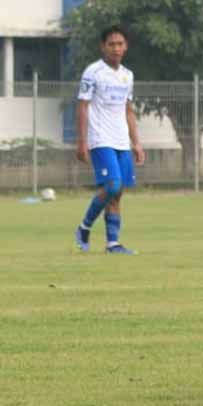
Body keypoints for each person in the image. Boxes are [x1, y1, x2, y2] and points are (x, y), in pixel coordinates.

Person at [73, 25, 144, 255]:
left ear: (126, 47)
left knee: (118, 191)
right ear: (103, 46)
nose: (116, 48)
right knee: (111, 185)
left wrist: (136, 142)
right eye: (111, 44)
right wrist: (82, 141)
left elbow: (128, 110)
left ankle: (113, 243)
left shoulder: (127, 75)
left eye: (120, 44)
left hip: (121, 139)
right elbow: (83, 106)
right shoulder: (93, 72)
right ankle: (84, 227)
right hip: (100, 138)